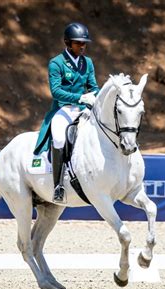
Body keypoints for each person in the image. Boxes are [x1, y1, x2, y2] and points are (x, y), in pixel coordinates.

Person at [33, 22, 99, 203]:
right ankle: (58, 185)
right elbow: (56, 91)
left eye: (84, 43)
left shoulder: (88, 62)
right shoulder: (56, 63)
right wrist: (80, 98)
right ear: (68, 43)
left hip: (84, 108)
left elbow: (93, 87)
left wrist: (97, 98)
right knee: (60, 138)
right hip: (64, 109)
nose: (83, 46)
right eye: (78, 43)